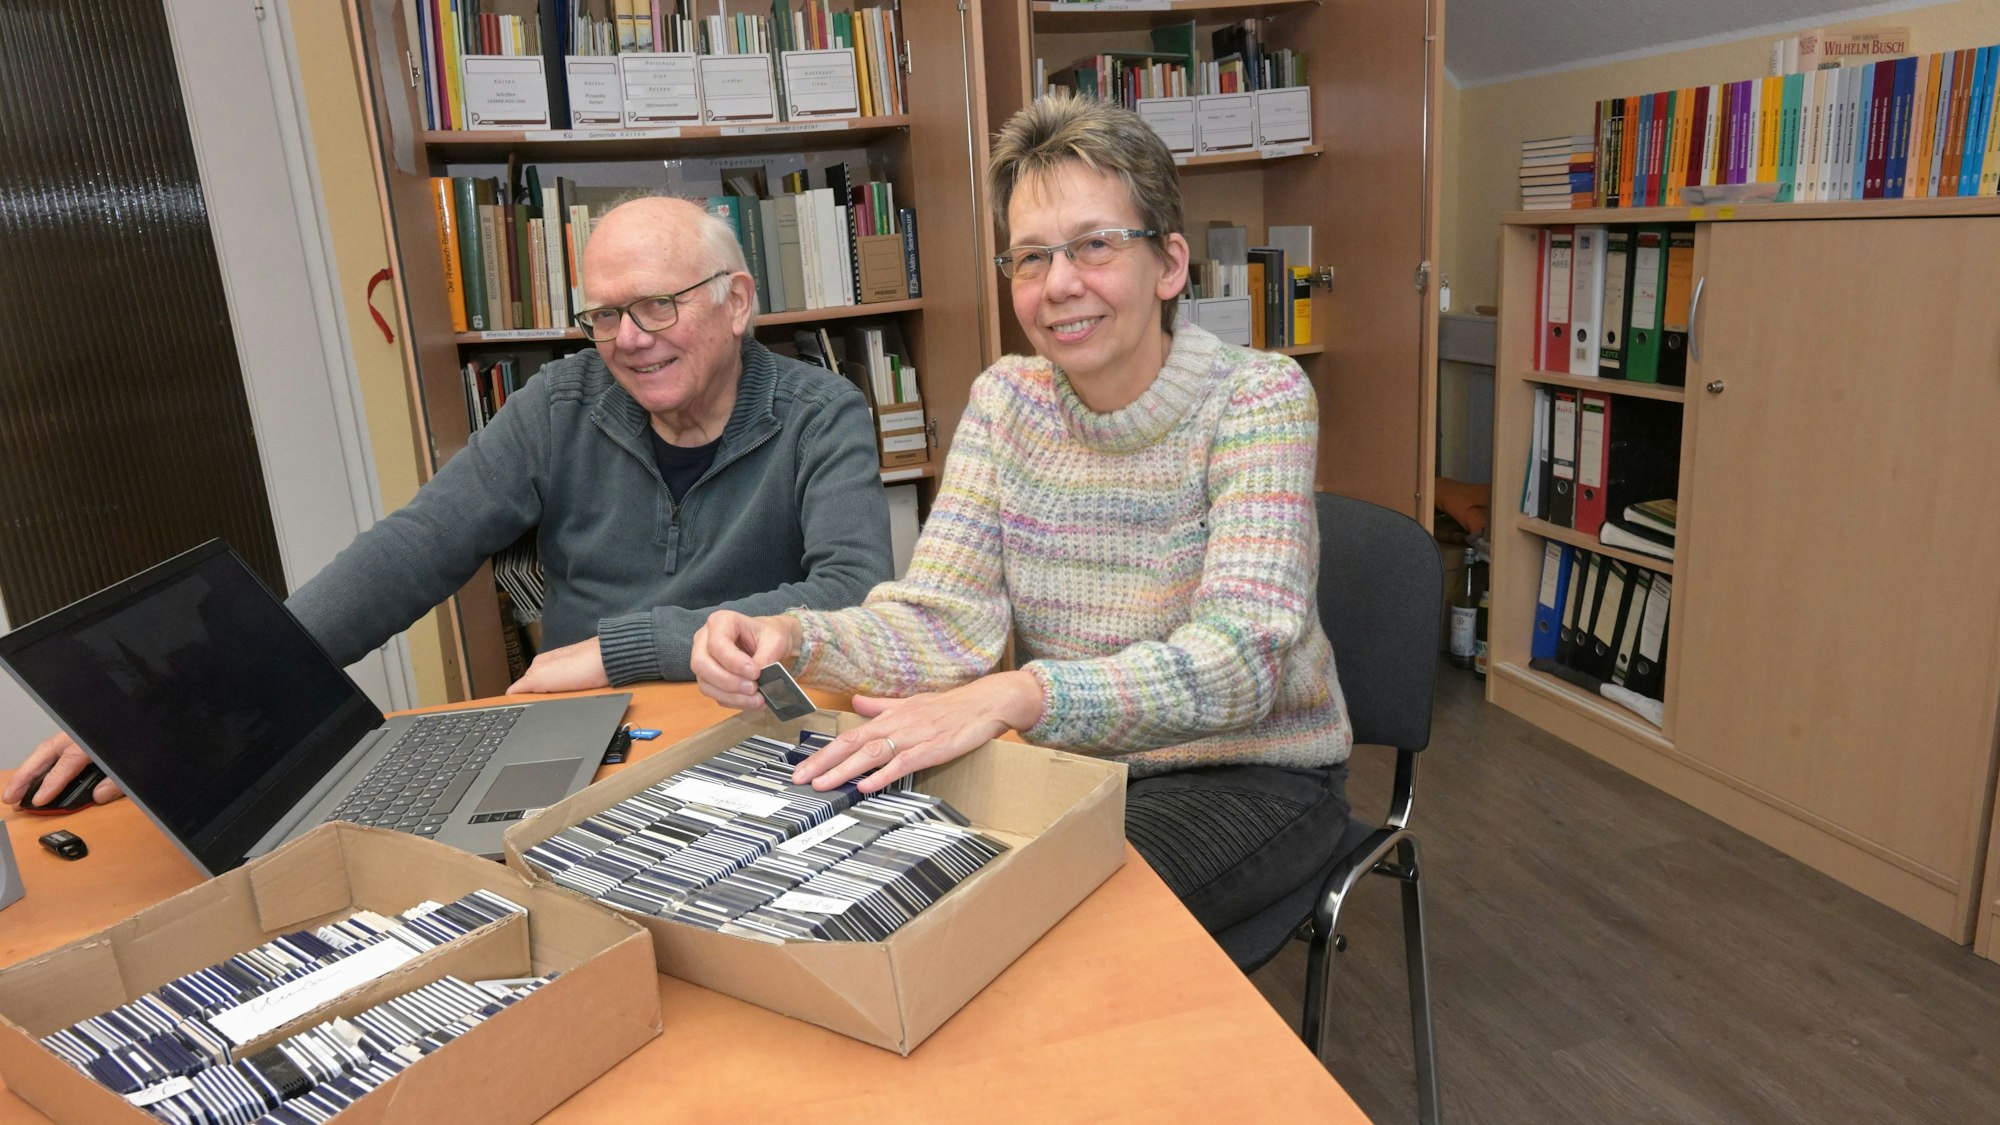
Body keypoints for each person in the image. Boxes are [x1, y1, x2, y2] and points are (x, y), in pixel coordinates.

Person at [690, 93, 1352, 936]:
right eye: (1031, 257)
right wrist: (795, 637)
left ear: (1170, 264)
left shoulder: (1258, 398)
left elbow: (1238, 665)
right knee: (881, 886)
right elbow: (943, 622)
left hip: (1249, 771)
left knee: (1032, 926)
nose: (1059, 284)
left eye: (1095, 245)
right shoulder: (1007, 400)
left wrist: (1020, 694)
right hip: (1071, 763)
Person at [6, 195, 892, 808]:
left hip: (752, 737)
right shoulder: (561, 402)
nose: (628, 339)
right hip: (590, 745)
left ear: (736, 302)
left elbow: (852, 594)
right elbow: (415, 547)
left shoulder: (824, 413)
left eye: (657, 306)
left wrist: (624, 648)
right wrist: (190, 693)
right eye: (604, 314)